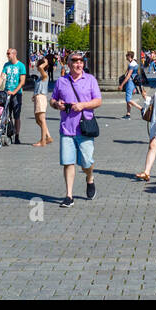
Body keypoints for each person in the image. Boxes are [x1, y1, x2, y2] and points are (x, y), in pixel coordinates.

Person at [51, 52, 102, 207]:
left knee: (86, 162)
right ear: (69, 64)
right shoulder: (61, 81)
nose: (79, 64)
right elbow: (52, 100)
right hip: (66, 128)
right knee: (68, 162)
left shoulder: (90, 80)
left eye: (81, 62)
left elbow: (98, 101)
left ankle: (89, 178)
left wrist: (83, 105)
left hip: (84, 128)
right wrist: (56, 104)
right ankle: (69, 196)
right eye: (75, 62)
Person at [0, 49, 27, 144]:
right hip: (6, 93)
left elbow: (22, 81)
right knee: (5, 114)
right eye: (7, 53)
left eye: (9, 53)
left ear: (14, 54)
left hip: (16, 94)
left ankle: (17, 135)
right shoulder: (6, 65)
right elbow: (2, 77)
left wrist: (14, 91)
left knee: (16, 116)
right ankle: (8, 132)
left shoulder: (21, 66)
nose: (7, 55)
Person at [32, 56, 55, 146]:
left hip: (41, 98)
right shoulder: (41, 76)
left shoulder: (45, 75)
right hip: (38, 97)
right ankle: (48, 137)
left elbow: (41, 68)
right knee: (38, 120)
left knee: (42, 119)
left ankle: (43, 141)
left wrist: (45, 62)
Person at [120, 51, 144, 119]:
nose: (126, 57)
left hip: (130, 82)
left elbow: (128, 76)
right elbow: (136, 74)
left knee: (128, 99)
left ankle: (141, 108)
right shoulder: (134, 63)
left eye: (126, 56)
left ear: (129, 56)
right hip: (133, 82)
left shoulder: (131, 65)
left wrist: (122, 85)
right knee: (129, 98)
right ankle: (128, 114)